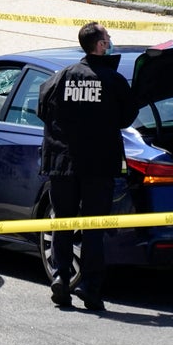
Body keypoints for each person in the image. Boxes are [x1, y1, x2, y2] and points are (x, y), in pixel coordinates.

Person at [37, 22, 138, 311]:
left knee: (63, 222)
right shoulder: (113, 80)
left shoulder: (61, 77)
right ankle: (90, 287)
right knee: (93, 227)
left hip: (62, 164)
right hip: (99, 165)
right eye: (108, 38)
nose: (111, 42)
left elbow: (42, 110)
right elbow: (127, 118)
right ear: (101, 45)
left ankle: (60, 276)